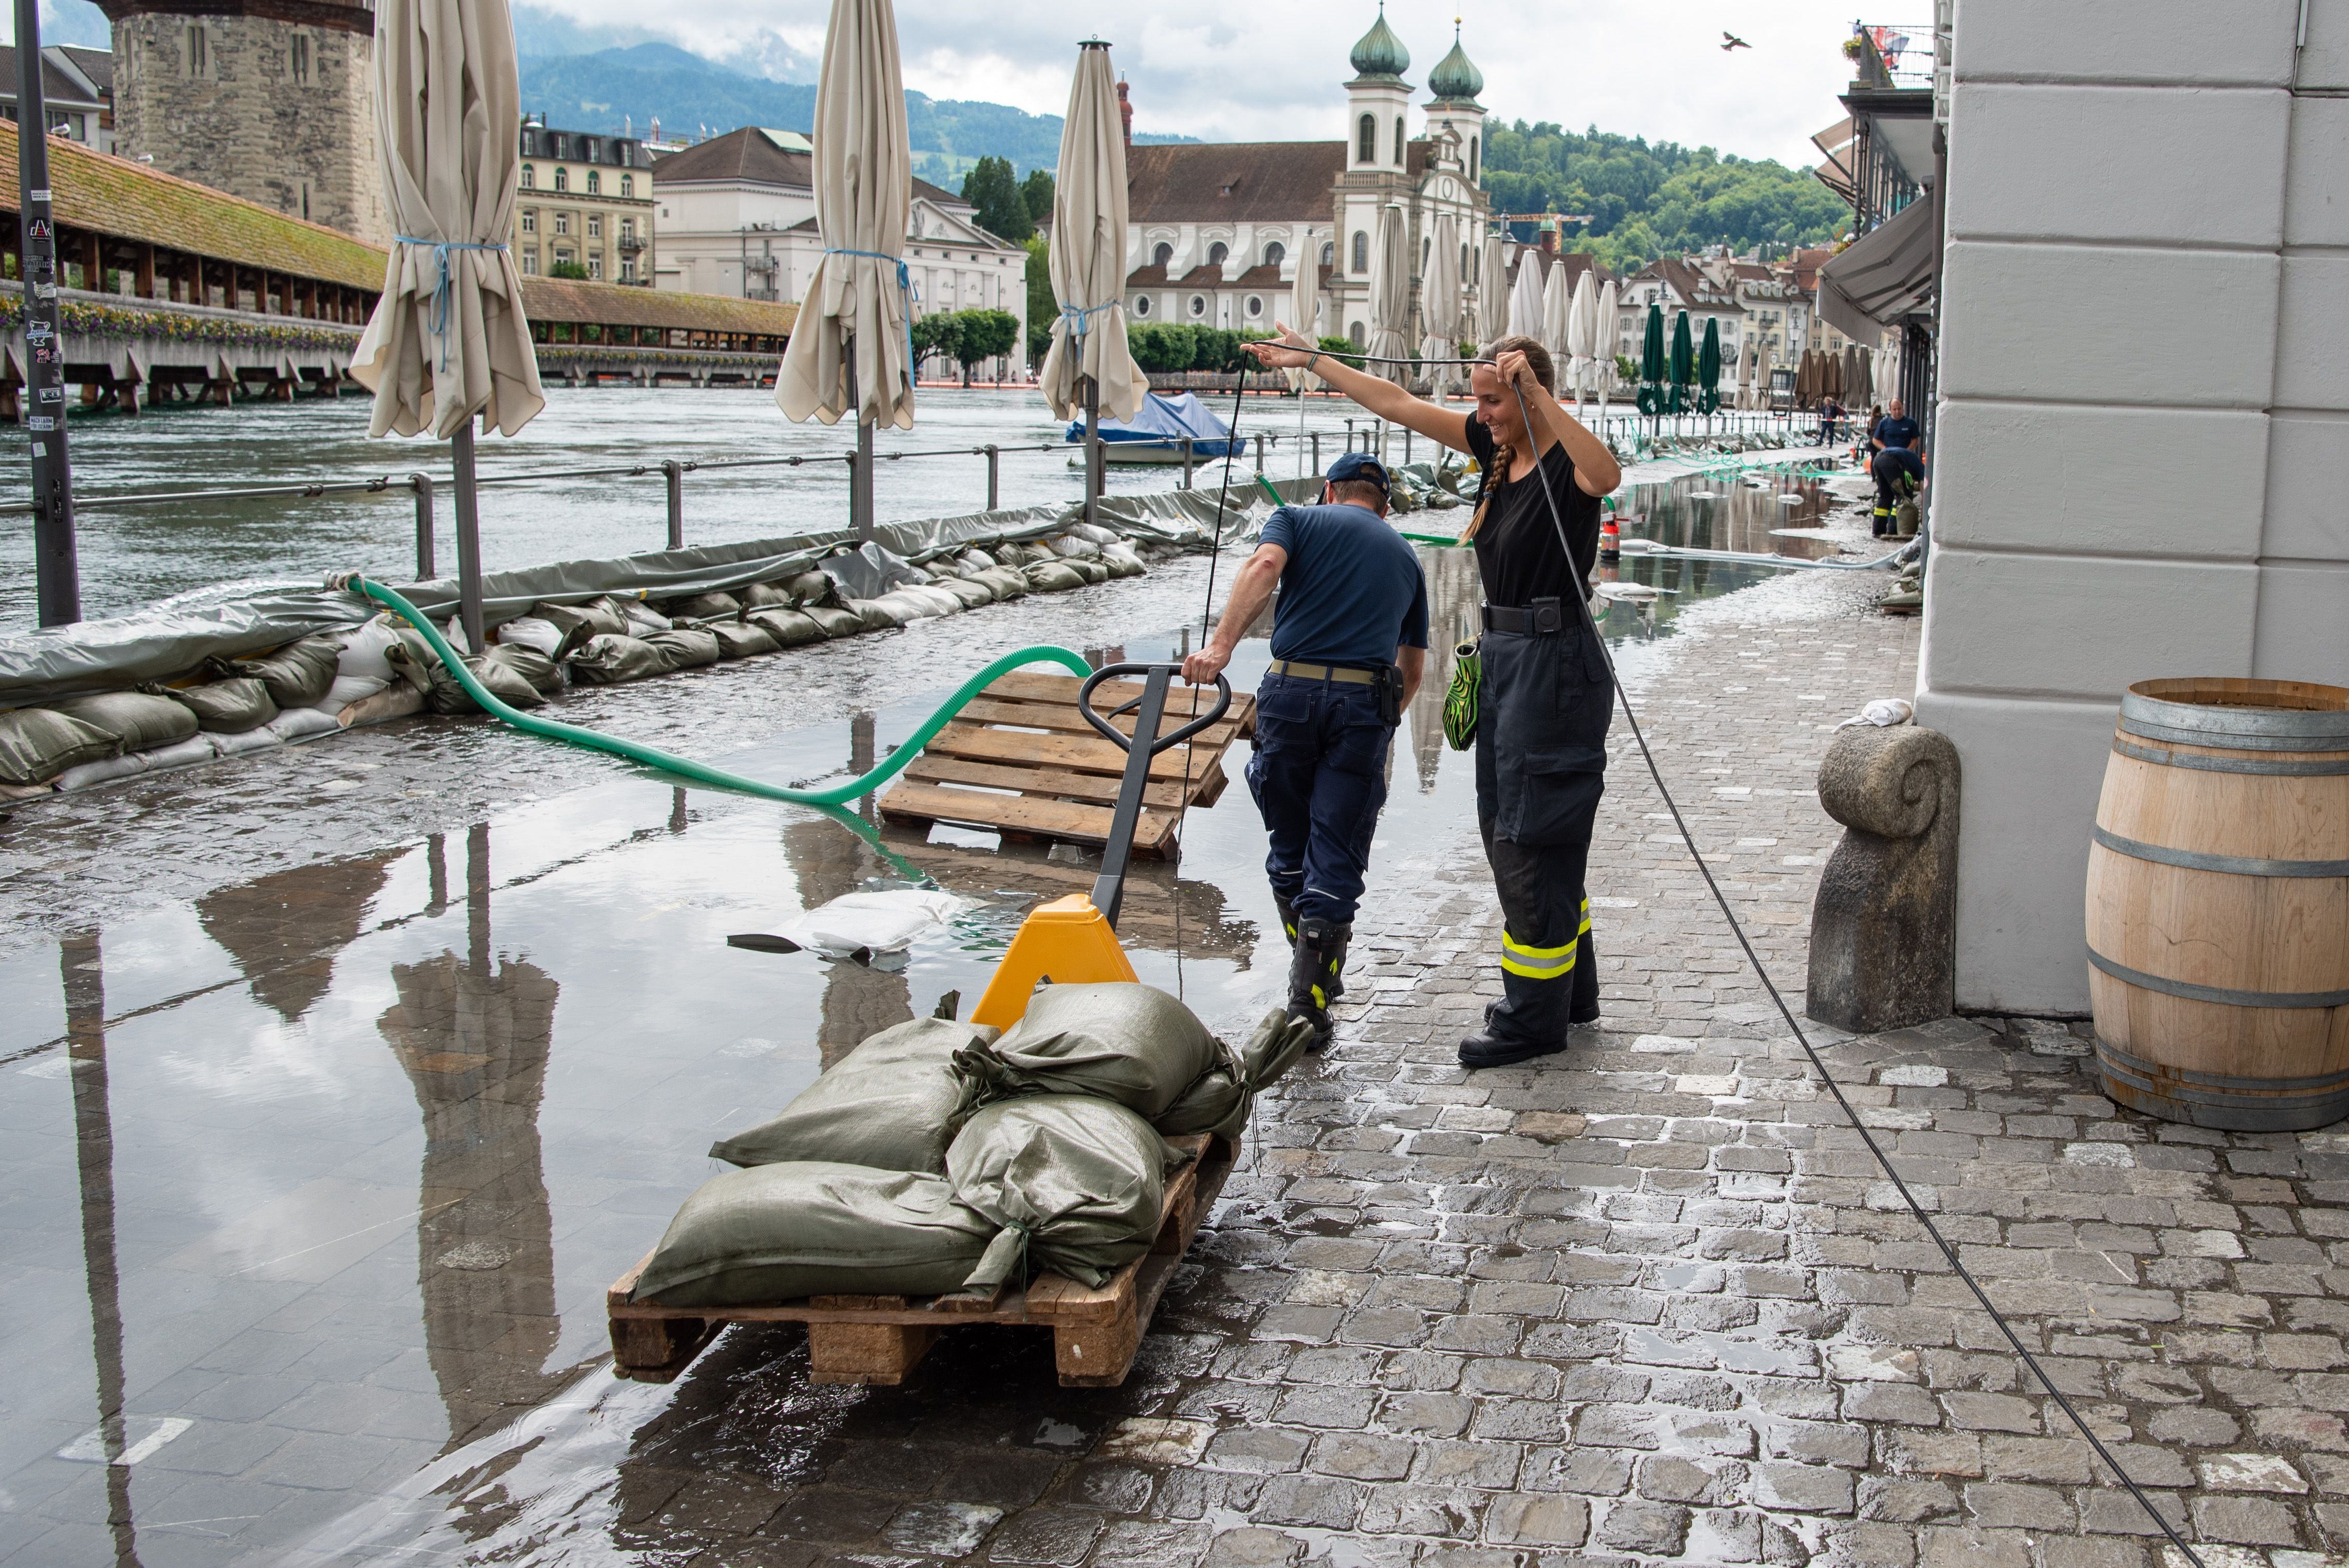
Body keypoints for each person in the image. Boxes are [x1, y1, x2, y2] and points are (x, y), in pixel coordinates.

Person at [1238, 326, 1624, 1069]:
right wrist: (1312, 361)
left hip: (1555, 659)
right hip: (1508, 657)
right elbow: (1395, 401)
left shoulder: (1563, 464)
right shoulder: (1494, 452)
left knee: (1527, 831)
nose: (1481, 413)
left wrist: (1540, 398)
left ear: (1527, 392)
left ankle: (1532, 1016)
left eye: (1493, 400)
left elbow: (1605, 474)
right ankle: (1569, 994)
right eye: (1477, 401)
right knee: (1525, 823)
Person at [1181, 451, 1429, 1049]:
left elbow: (1265, 566)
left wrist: (1219, 647)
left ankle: (1311, 969)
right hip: (1364, 702)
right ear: (1386, 505)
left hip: (1289, 693)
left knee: (1288, 842)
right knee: (1337, 846)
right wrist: (1378, 725)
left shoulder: (1294, 518)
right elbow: (1413, 667)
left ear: (1328, 490)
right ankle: (1310, 999)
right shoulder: (1406, 557)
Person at [1868, 397, 1926, 537]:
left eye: (1900, 408)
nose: (1898, 411)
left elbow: (1915, 439)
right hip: (1891, 461)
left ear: (1903, 408)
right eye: (1894, 409)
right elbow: (1925, 486)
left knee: (1886, 496)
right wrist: (1924, 509)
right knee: (1904, 494)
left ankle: (1878, 530)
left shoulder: (1910, 423)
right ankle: (1894, 530)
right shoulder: (1918, 465)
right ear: (1890, 410)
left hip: (1880, 461)